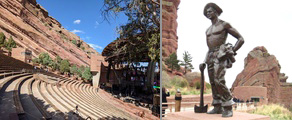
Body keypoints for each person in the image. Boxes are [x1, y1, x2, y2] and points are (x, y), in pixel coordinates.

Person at [202, 3, 244, 117]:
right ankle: (217, 105)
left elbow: (241, 39)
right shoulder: (208, 30)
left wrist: (232, 51)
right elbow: (209, 46)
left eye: (210, 11)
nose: (208, 13)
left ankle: (228, 106)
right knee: (212, 82)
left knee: (218, 80)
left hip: (220, 54)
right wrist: (204, 60)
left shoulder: (224, 25)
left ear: (216, 11)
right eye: (207, 12)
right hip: (210, 55)